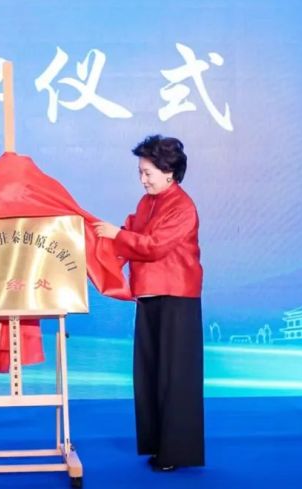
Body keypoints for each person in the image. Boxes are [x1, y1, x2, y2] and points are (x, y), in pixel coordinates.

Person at [92, 134, 204, 472]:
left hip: (177, 297)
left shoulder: (183, 207)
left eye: (148, 173)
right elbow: (128, 234)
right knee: (150, 374)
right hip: (150, 295)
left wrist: (115, 236)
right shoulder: (147, 203)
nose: (143, 179)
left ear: (169, 172)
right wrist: (94, 246)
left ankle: (175, 453)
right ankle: (158, 446)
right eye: (140, 172)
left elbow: (153, 246)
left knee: (174, 377)